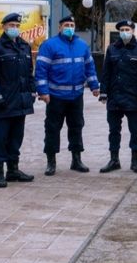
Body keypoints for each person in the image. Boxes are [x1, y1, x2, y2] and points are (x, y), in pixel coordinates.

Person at [35, 14, 100, 175]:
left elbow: (89, 68)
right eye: (66, 25)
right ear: (59, 27)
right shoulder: (49, 45)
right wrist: (43, 92)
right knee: (52, 129)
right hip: (55, 97)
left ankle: (76, 160)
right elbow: (41, 70)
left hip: (76, 96)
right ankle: (51, 162)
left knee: (77, 127)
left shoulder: (82, 45)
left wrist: (94, 86)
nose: (69, 28)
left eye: (72, 25)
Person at [0, 12, 36, 188]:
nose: (15, 28)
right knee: (1, 138)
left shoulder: (24, 47)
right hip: (3, 103)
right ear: (4, 27)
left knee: (16, 138)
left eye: (17, 26)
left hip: (21, 102)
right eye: (11, 25)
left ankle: (13, 170)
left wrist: (32, 92)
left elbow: (29, 74)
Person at [98, 20, 137, 173]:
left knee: (135, 130)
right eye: (122, 29)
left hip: (134, 98)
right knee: (113, 130)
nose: (124, 32)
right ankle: (114, 160)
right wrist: (103, 92)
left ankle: (135, 161)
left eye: (127, 29)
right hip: (115, 97)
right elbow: (106, 72)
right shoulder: (112, 49)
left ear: (132, 30)